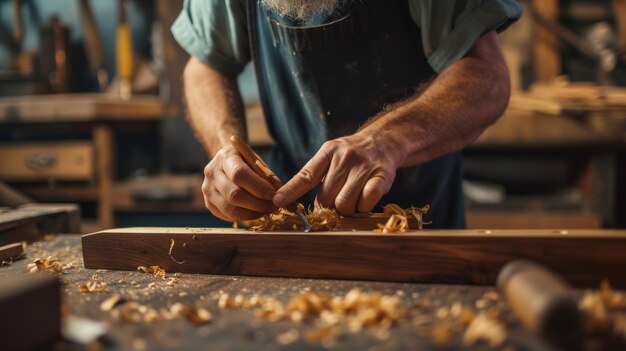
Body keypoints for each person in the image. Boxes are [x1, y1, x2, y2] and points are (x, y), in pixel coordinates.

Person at [172, 0, 522, 228]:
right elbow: (206, 65)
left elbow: (487, 75)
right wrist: (225, 151)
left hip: (420, 229)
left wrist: (388, 140)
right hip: (293, 230)